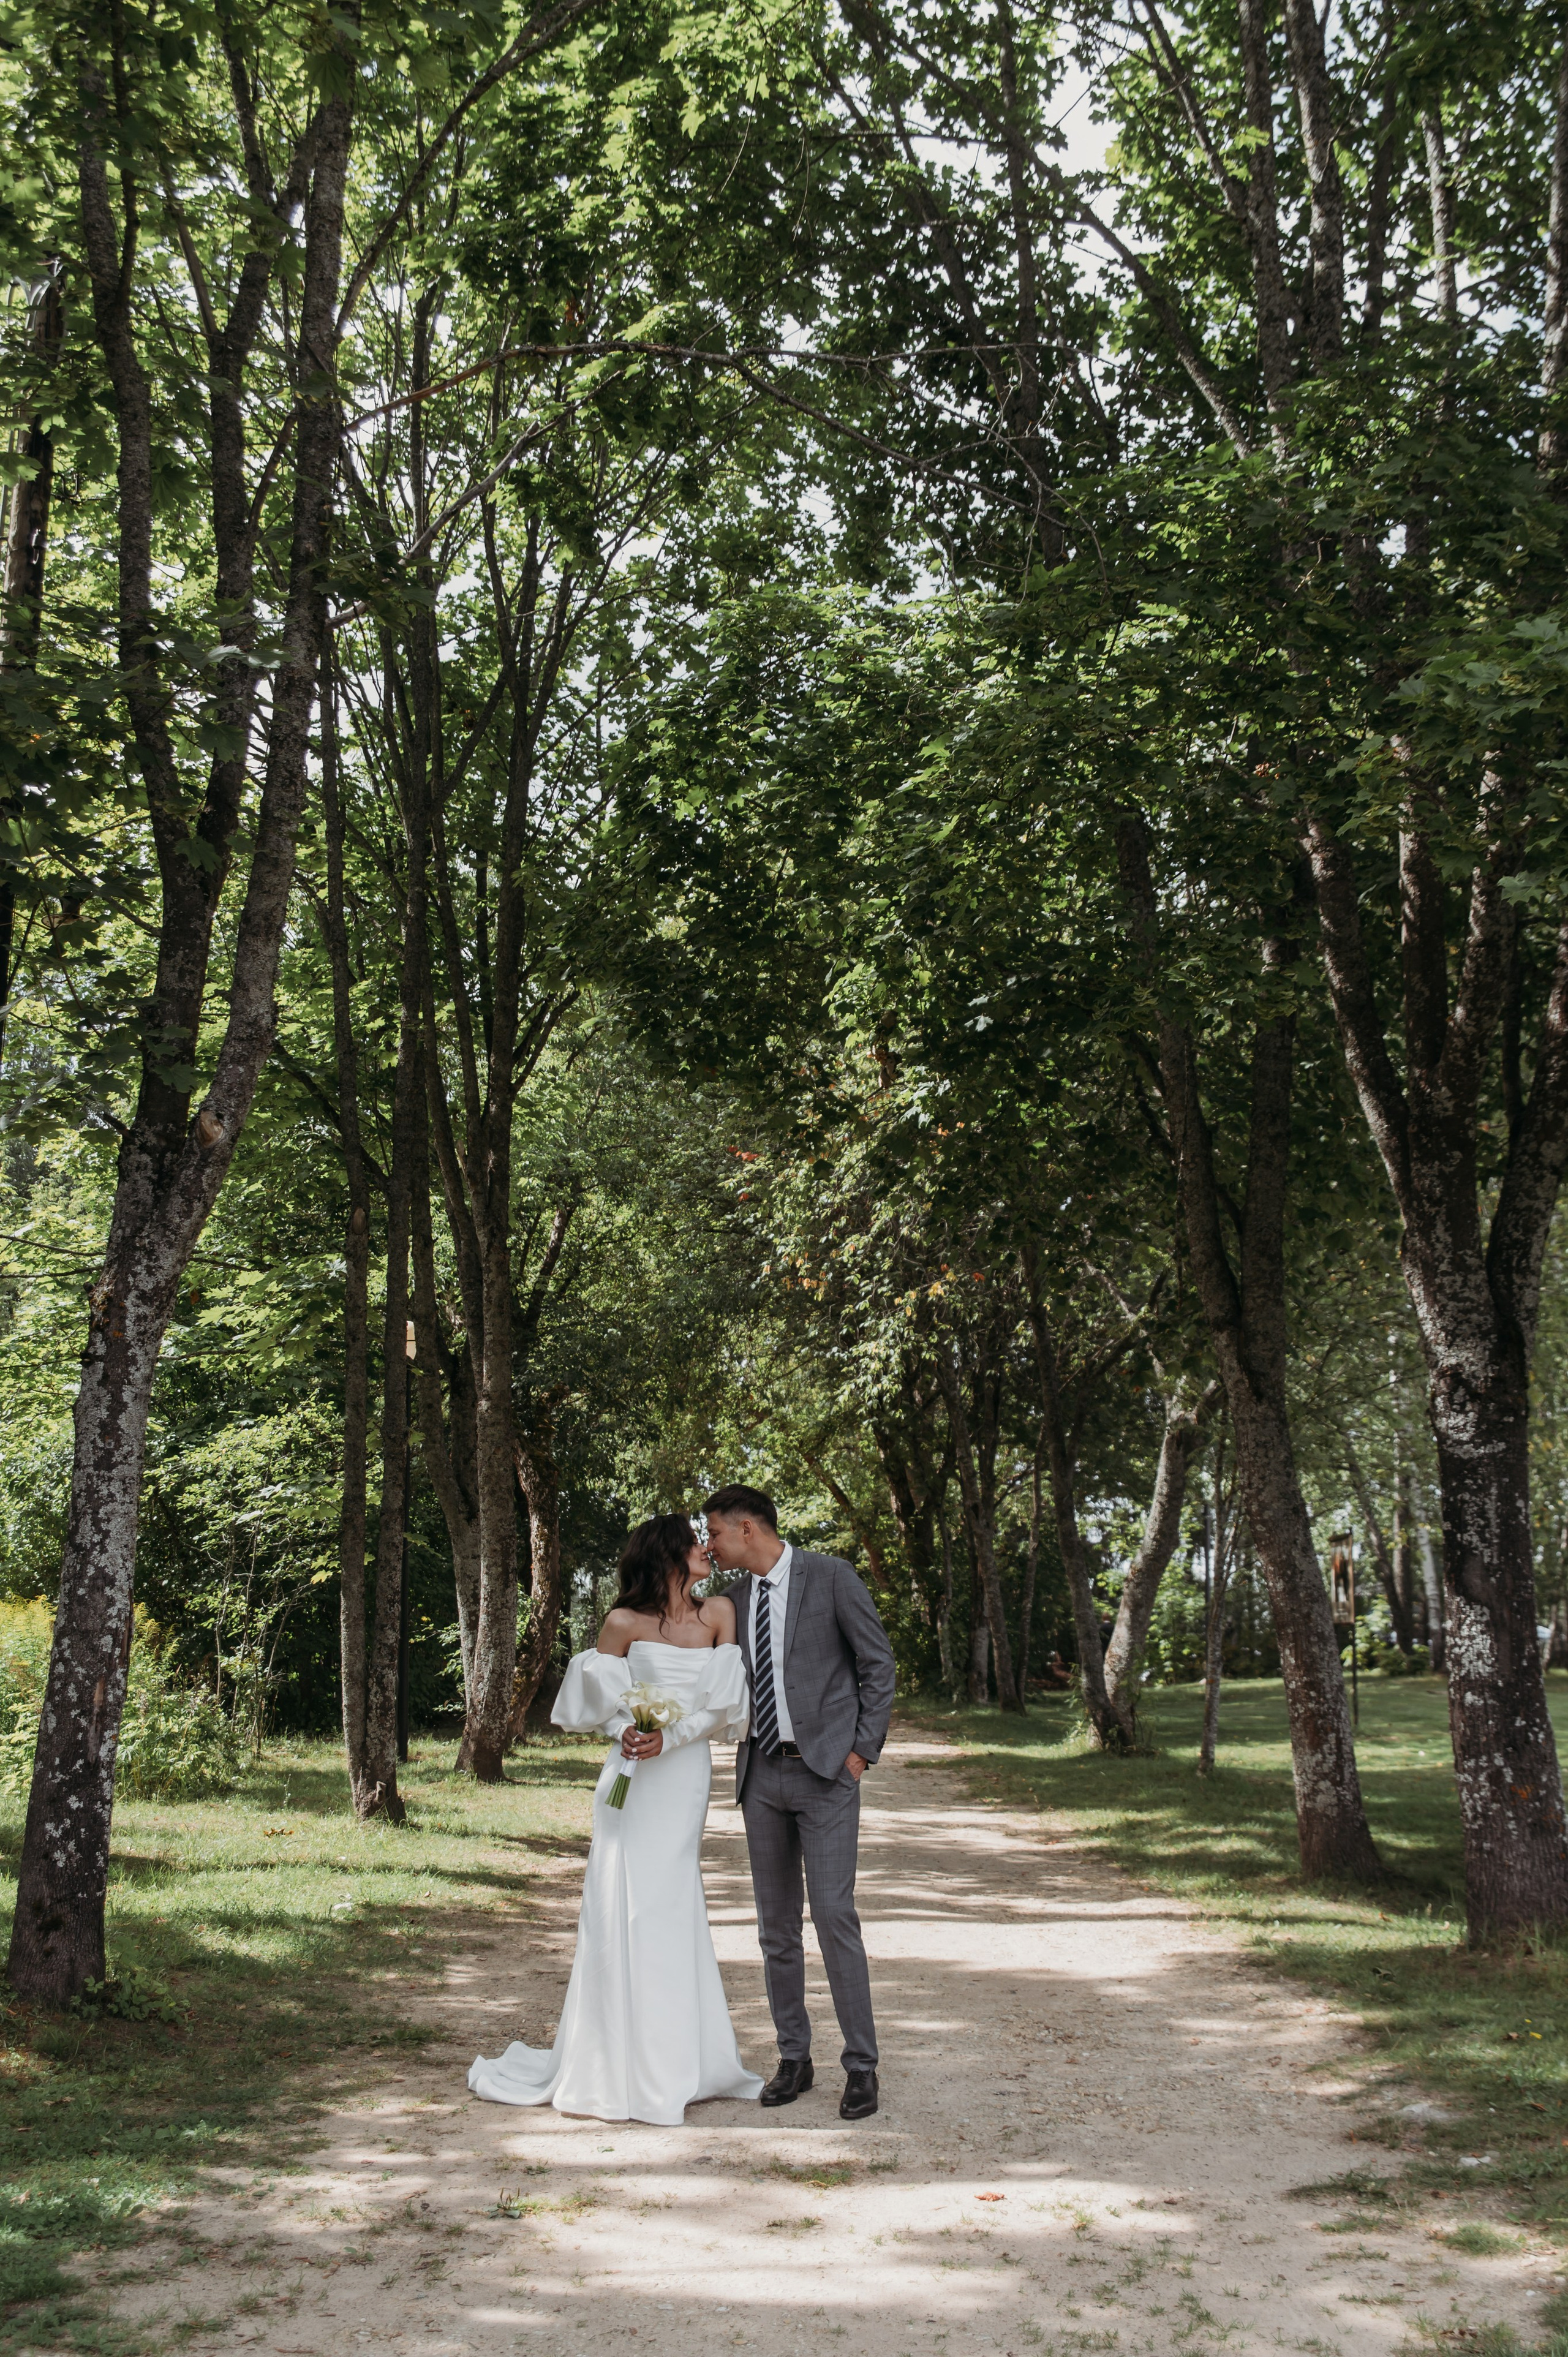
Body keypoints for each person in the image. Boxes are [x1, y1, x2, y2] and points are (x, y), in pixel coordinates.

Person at [467, 1513, 763, 2126]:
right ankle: (612, 2062)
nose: (707, 1547)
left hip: (682, 1776)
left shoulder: (719, 1616)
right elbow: (595, 1702)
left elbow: (724, 1705)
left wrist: (672, 1734)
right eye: (695, 1541)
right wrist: (625, 1729)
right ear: (669, 1553)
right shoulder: (623, 1622)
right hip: (631, 1778)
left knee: (669, 1903)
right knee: (621, 1907)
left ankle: (678, 2061)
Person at [703, 1483, 896, 2122]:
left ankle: (861, 2065)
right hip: (761, 1776)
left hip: (826, 1775)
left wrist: (860, 1753)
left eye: (716, 1533)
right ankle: (795, 2056)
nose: (712, 1543)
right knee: (775, 1927)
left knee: (834, 1916)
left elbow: (877, 1664)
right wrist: (691, 1566)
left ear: (748, 1528)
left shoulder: (831, 1576)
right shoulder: (731, 1599)